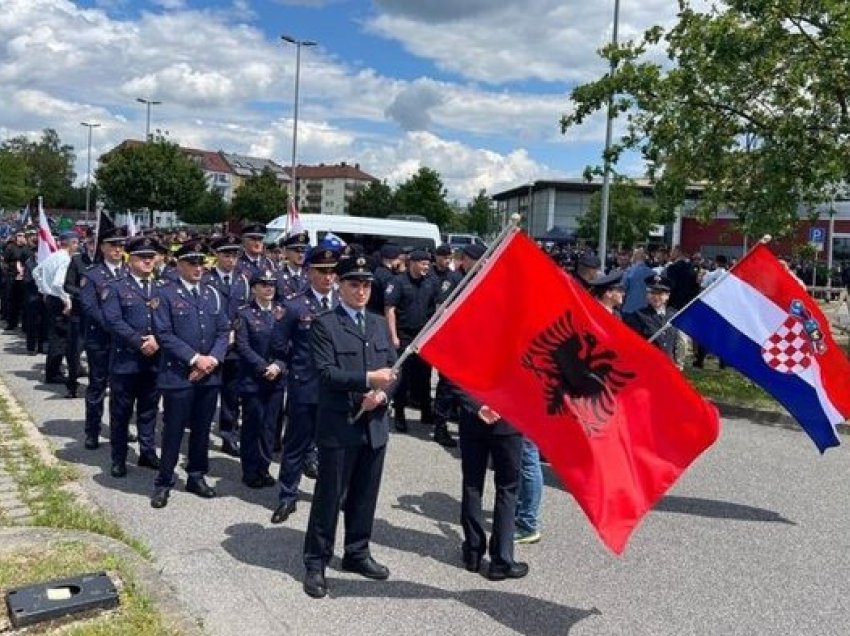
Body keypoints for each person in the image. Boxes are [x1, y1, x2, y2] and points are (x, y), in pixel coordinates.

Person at [302, 256, 397, 599]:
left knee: (364, 496)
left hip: (374, 425)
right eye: (354, 284)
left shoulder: (376, 324)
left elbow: (392, 369)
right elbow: (327, 374)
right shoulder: (325, 324)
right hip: (340, 425)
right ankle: (316, 561)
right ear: (339, 285)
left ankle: (357, 552)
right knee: (330, 497)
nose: (361, 291)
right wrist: (368, 382)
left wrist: (383, 395)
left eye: (366, 285)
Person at [150, 240, 230, 509]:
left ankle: (196, 475)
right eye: (192, 263)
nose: (199, 268)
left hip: (209, 374)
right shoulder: (165, 293)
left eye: (202, 263)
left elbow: (222, 331)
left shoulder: (212, 294)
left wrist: (213, 360)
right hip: (178, 374)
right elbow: (164, 334)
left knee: (201, 430)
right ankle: (164, 481)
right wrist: (195, 359)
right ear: (179, 264)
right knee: (173, 429)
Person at [271, 248, 339, 524]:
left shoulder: (342, 302)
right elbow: (278, 344)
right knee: (296, 444)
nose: (328, 276)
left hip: (336, 387)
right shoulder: (294, 306)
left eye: (333, 271)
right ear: (309, 272)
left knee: (334, 445)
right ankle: (287, 495)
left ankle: (333, 495)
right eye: (322, 271)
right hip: (306, 385)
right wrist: (295, 370)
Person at [101, 236, 162, 477]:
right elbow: (113, 320)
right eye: (143, 258)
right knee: (121, 412)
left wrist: (157, 339)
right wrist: (139, 342)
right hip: (126, 360)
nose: (148, 262)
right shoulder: (116, 287)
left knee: (149, 410)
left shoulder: (162, 286)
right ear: (131, 259)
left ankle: (147, 452)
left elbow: (169, 320)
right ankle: (119, 457)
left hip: (155, 360)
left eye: (151, 257)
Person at [457, 391, 528, 580]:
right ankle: (501, 560)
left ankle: (473, 552)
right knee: (507, 489)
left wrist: (475, 405)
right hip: (508, 419)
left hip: (475, 418)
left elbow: (453, 375)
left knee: (472, 485)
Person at [234, 269, 287, 488]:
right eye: (263, 284)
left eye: (271, 285)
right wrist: (263, 366)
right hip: (253, 379)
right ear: (254, 288)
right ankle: (250, 470)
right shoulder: (245, 313)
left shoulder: (282, 312)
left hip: (276, 379)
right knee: (252, 425)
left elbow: (289, 344)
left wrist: (279, 365)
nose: (268, 289)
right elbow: (242, 345)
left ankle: (264, 467)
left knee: (270, 427)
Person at [77, 227, 128, 448]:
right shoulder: (92, 274)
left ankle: (120, 430)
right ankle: (92, 431)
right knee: (98, 387)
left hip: (126, 342)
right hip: (101, 340)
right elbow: (90, 308)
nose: (118, 249)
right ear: (103, 248)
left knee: (123, 390)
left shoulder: (129, 273)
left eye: (121, 245)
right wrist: (116, 327)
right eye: (112, 245)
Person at [204, 234, 251, 457]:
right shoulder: (206, 279)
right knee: (208, 391)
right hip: (212, 345)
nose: (231, 259)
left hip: (235, 346)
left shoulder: (243, 280)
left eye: (234, 255)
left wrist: (236, 333)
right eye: (226, 255)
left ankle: (228, 434)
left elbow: (247, 312)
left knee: (232, 393)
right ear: (217, 255)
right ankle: (200, 430)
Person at [384, 249, 439, 433]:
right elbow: (390, 309)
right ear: (413, 263)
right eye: (423, 263)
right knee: (402, 378)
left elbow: (435, 309)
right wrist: (394, 336)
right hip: (403, 335)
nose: (426, 267)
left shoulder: (431, 283)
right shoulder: (398, 282)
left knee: (424, 375)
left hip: (423, 335)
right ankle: (399, 414)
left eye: (428, 264)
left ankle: (426, 411)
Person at [33, 231, 80, 389]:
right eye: (76, 243)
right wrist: (67, 300)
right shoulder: (66, 259)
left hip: (51, 298)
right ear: (71, 243)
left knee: (58, 335)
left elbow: (36, 272)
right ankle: (53, 373)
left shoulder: (53, 256)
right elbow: (59, 284)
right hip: (60, 300)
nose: (77, 246)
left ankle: (65, 368)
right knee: (60, 338)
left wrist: (43, 290)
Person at [623, 274, 681, 365]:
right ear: (647, 294)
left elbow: (677, 343)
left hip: (669, 366)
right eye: (652, 293)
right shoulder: (638, 316)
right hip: (648, 365)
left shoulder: (674, 315)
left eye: (660, 293)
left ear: (667, 296)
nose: (656, 297)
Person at [366, 244, 401, 315]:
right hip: (380, 313)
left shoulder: (376, 271)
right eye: (398, 259)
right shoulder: (388, 277)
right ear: (392, 259)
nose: (399, 262)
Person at [275, 231, 310, 300]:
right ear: (286, 252)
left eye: (303, 251)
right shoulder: (277, 277)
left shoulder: (311, 276)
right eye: (297, 251)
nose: (301, 255)